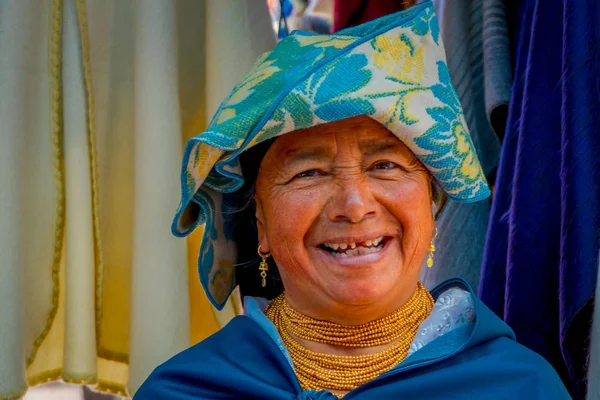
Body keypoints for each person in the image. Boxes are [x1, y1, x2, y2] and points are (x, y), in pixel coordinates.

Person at [134, 3, 571, 399]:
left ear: (432, 205)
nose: (355, 204)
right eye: (308, 172)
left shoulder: (518, 387)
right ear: (260, 223)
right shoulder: (186, 391)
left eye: (384, 165)